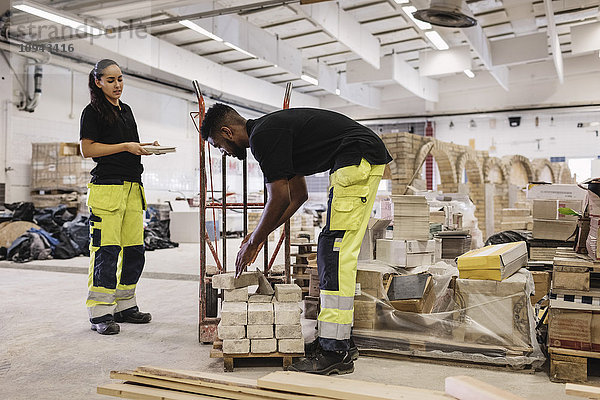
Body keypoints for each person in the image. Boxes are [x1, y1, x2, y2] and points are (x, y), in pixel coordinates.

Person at [200, 104, 392, 374]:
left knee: (334, 253)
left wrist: (255, 241)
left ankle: (334, 351)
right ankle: (339, 342)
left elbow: (278, 197)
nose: (223, 151)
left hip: (356, 157)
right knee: (332, 251)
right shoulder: (271, 133)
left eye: (218, 145)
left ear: (226, 132)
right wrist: (258, 237)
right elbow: (297, 196)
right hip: (357, 157)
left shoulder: (262, 138)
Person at [80, 59, 158, 335]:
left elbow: (128, 147)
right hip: (107, 189)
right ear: (98, 81)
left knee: (134, 250)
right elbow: (87, 149)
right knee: (106, 251)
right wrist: (125, 145)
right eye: (111, 80)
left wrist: (145, 147)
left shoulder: (126, 111)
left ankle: (125, 305)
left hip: (133, 187)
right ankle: (100, 313)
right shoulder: (92, 112)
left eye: (120, 79)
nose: (117, 85)